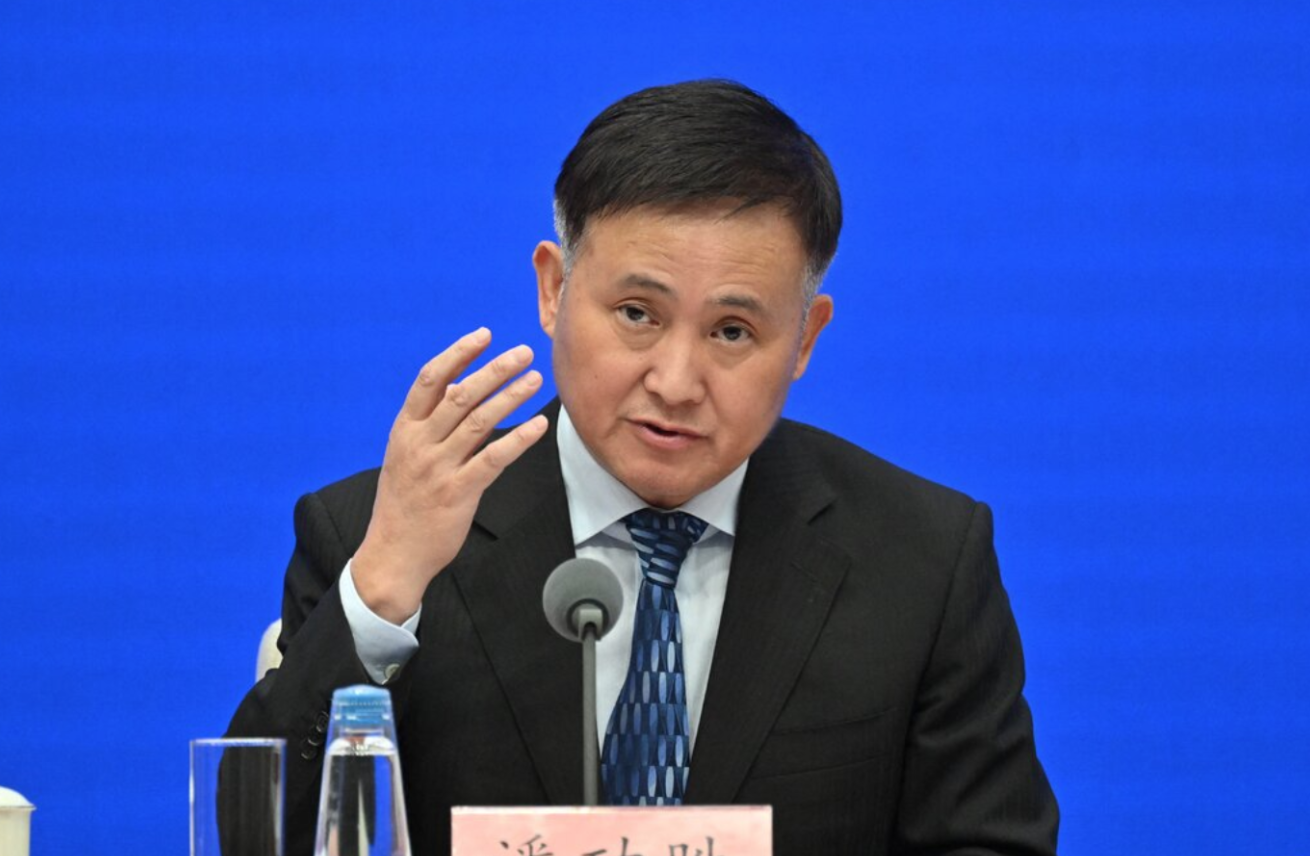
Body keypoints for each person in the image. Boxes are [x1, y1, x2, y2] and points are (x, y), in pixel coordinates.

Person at [227, 79, 1059, 855]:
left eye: (731, 332)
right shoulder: (376, 536)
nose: (676, 382)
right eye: (636, 314)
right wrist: (381, 592)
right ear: (554, 290)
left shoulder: (921, 561)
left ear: (805, 340)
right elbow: (255, 837)